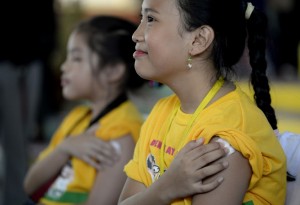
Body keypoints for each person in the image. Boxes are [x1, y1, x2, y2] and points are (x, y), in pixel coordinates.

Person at [118, 0, 287, 204]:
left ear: (198, 40)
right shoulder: (162, 112)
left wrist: (158, 192)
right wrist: (165, 189)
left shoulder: (227, 138)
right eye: (141, 18)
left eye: (151, 19)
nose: (136, 34)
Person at [23, 15, 149, 205]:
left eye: (77, 58)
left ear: (113, 70)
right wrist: (65, 148)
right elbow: (29, 186)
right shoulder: (77, 117)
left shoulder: (122, 133)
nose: (65, 67)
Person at [0, 0, 57, 204]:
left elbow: (48, 23)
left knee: (17, 141)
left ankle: (15, 199)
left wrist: (36, 53)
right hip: (13, 61)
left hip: (23, 65)